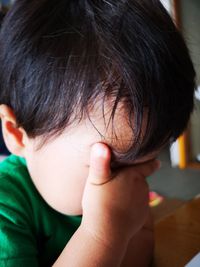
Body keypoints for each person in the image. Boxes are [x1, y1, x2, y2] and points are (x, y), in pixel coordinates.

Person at [0, 0, 195, 266]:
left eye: (143, 166)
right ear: (17, 134)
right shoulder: (6, 210)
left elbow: (142, 258)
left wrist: (125, 228)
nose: (125, 186)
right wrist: (102, 233)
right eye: (110, 167)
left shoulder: (124, 191)